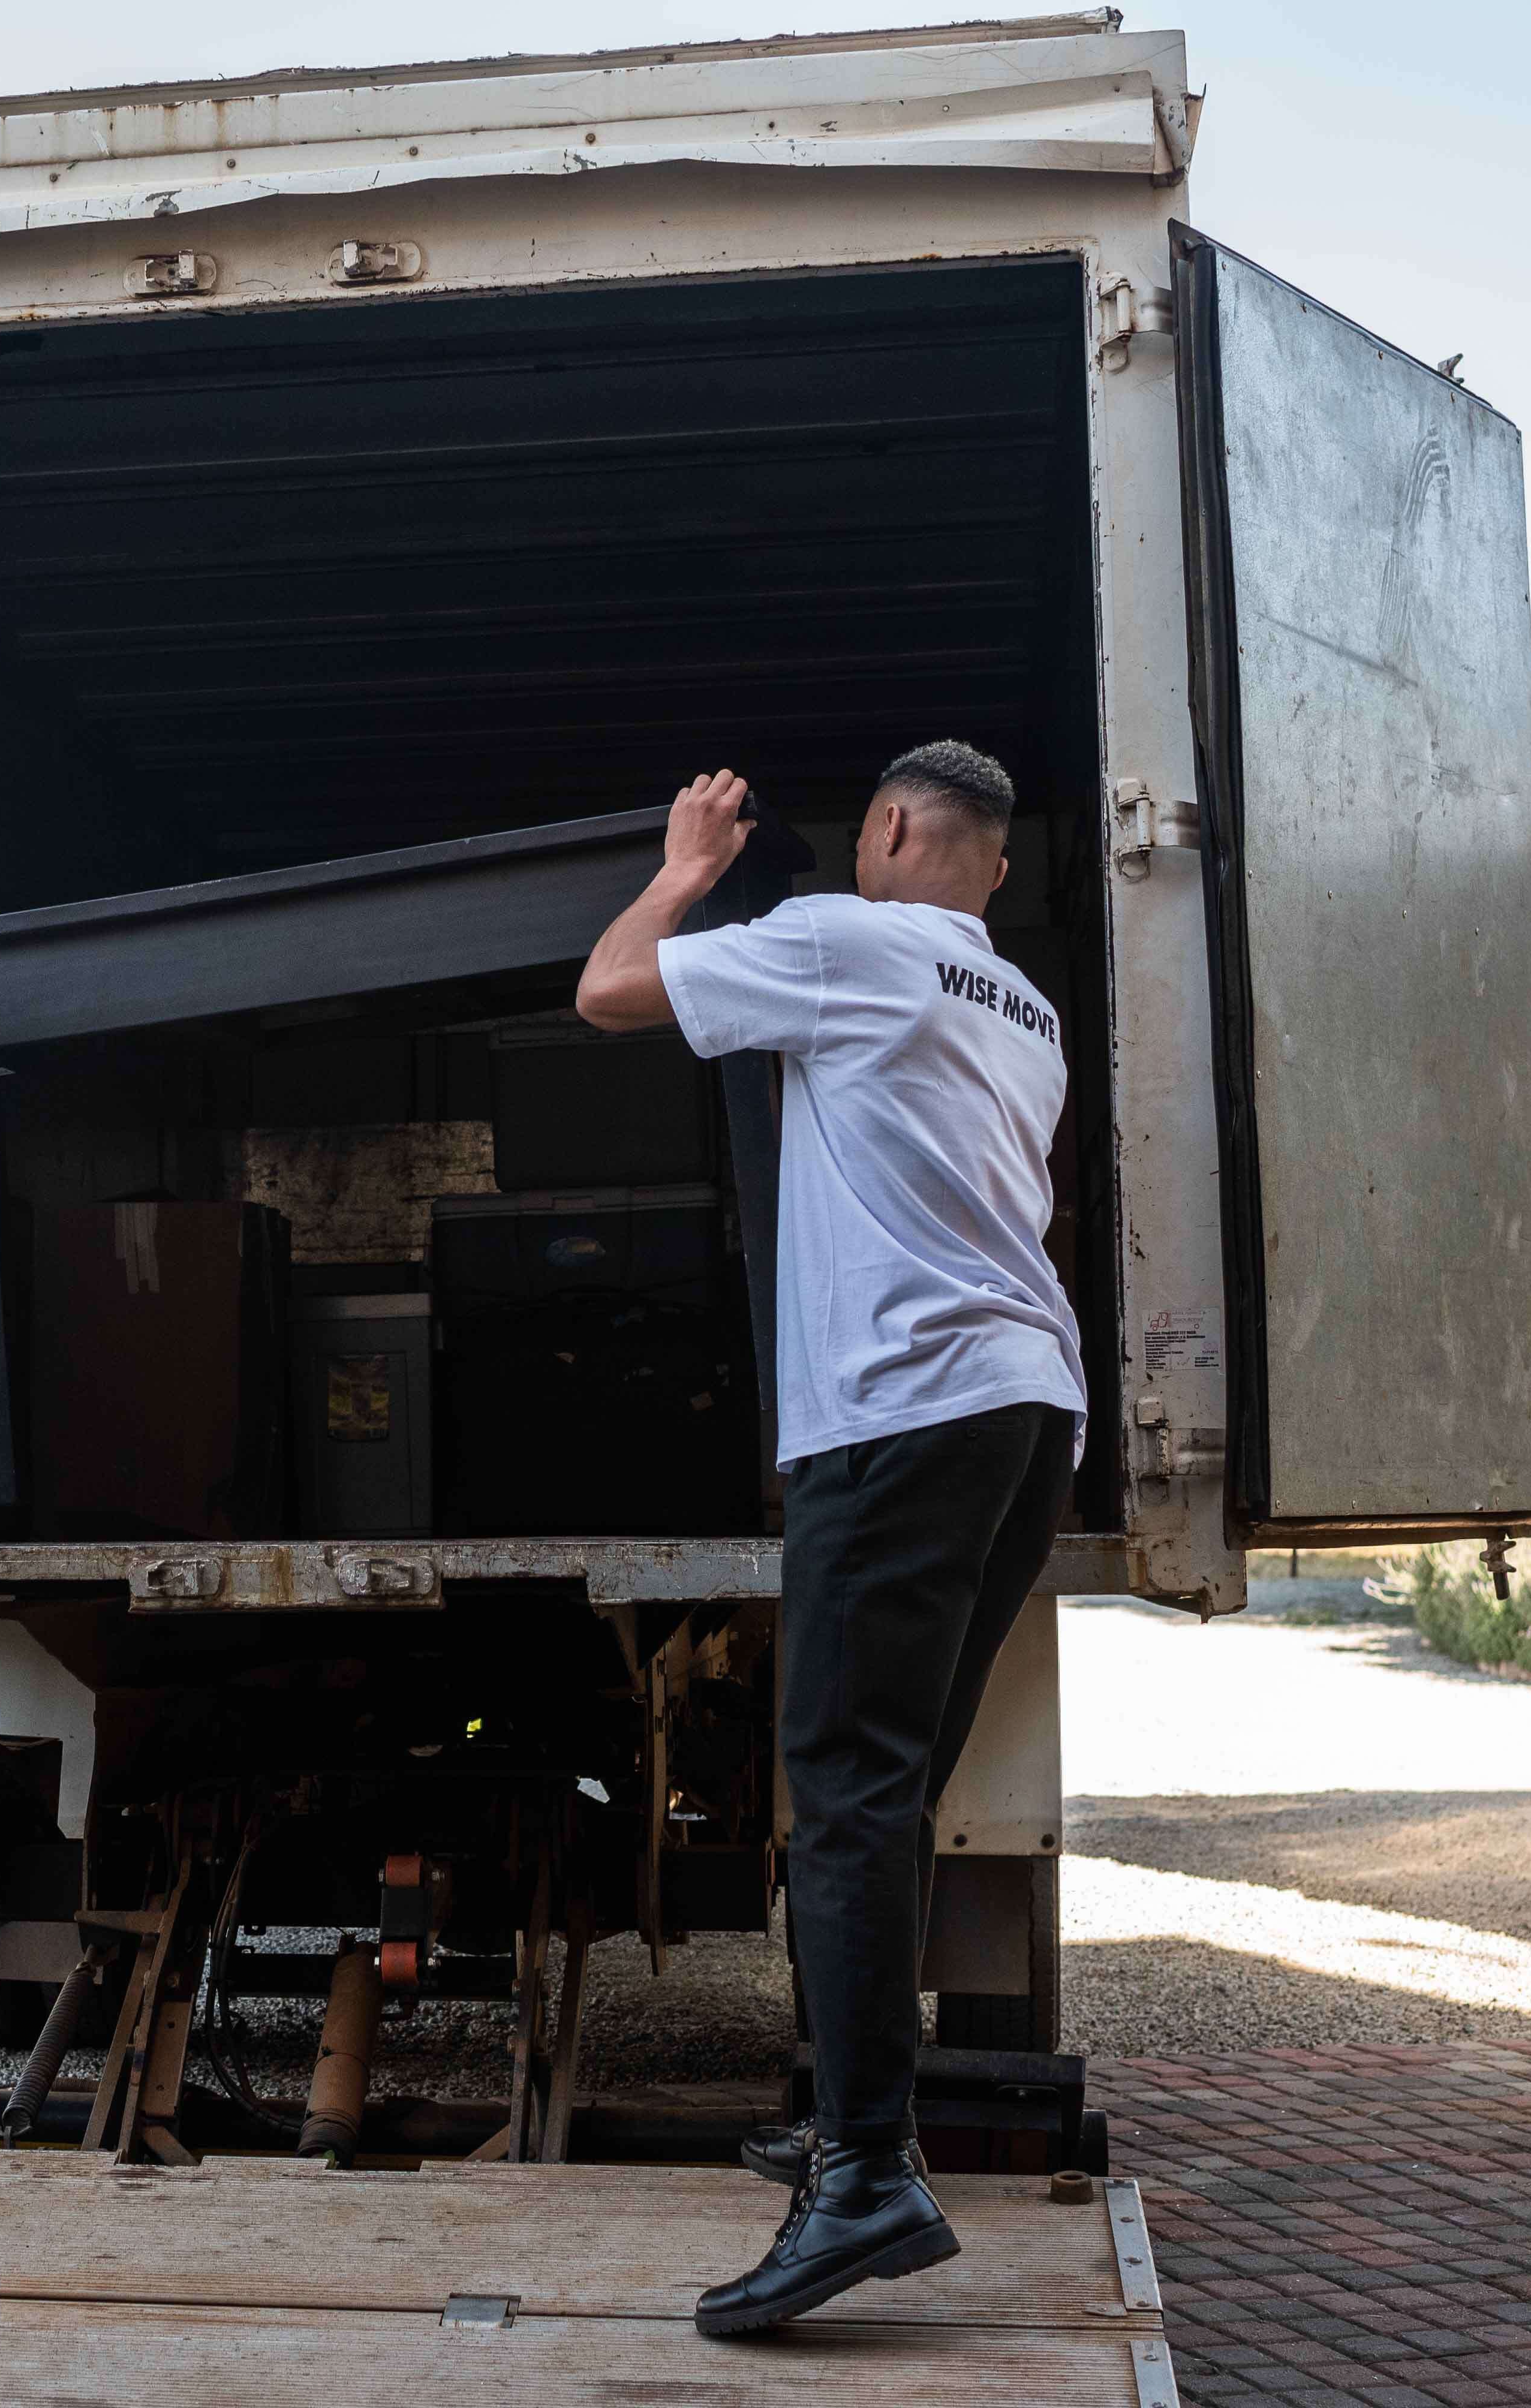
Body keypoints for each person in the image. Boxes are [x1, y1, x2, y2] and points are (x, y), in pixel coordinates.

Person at [575, 741, 1084, 2340]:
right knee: (898, 1788)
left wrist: (682, 865)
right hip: (1029, 1412)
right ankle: (857, 2120)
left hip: (902, 1415)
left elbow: (609, 992)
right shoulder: (1030, 1013)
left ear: (885, 833)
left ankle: (866, 2174)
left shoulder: (846, 940)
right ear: (989, 868)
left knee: (850, 1797)